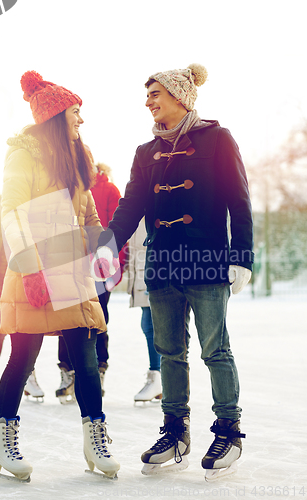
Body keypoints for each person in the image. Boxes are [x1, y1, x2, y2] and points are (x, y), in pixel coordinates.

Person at [91, 64, 253, 479]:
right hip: (162, 265)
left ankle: (228, 431)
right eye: (146, 95)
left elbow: (239, 201)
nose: (148, 102)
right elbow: (130, 206)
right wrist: (108, 244)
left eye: (155, 94)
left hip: (206, 261)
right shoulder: (146, 153)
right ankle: (175, 429)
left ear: (180, 96)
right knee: (169, 352)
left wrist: (242, 257)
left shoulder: (218, 140)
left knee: (214, 349)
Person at [0, 70, 120, 482]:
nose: (81, 121)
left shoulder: (78, 154)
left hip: (70, 268)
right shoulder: (23, 154)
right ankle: (3, 442)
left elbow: (89, 211)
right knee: (23, 356)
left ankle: (95, 439)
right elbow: (11, 211)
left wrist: (102, 249)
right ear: (56, 114)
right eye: (76, 112)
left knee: (85, 359)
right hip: (35, 266)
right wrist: (30, 268)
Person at [55, 163, 125, 402]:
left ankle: (98, 369)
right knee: (68, 317)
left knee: (97, 318)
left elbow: (117, 231)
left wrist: (115, 266)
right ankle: (68, 372)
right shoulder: (67, 188)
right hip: (71, 265)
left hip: (99, 267)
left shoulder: (110, 190)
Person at [0, 195, 44, 402]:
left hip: (27, 274)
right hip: (1, 274)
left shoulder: (35, 200)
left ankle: (28, 375)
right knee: (1, 326)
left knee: (28, 327)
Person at [126, 217, 162, 403]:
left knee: (152, 324)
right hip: (141, 269)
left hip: (153, 268)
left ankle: (158, 376)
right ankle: (158, 376)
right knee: (149, 324)